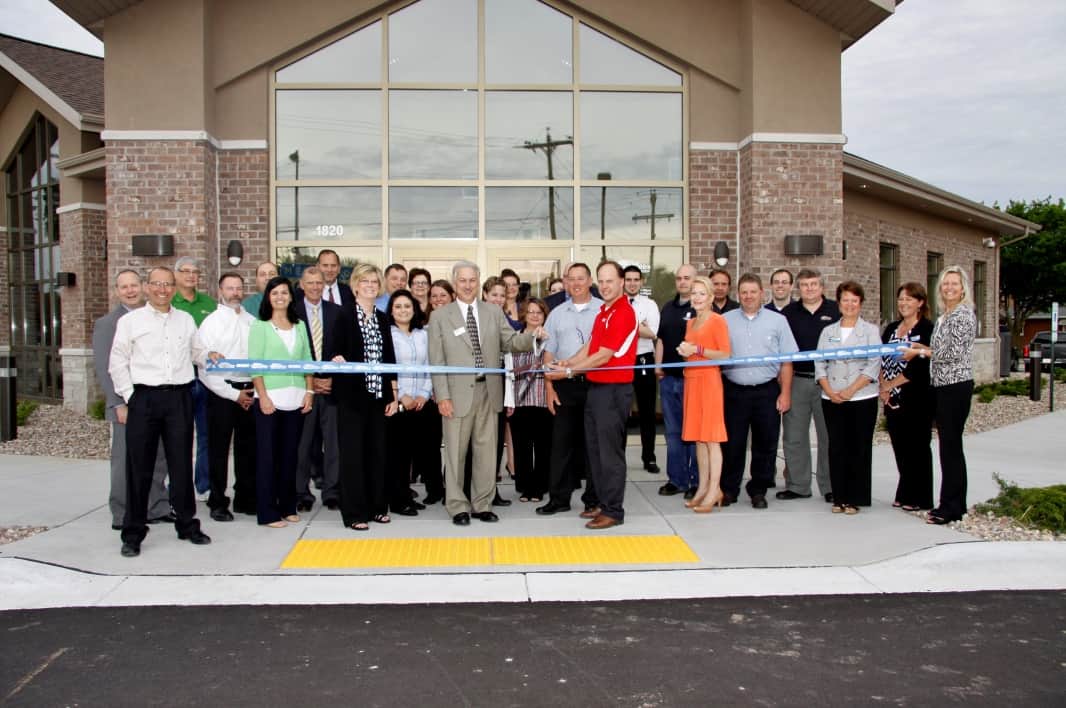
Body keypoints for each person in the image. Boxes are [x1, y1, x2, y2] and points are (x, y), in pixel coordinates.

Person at [109, 267, 215, 557]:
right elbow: (117, 361)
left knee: (181, 463)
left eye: (167, 285)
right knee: (138, 467)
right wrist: (131, 396)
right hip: (144, 397)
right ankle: (133, 532)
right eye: (156, 284)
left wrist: (210, 356)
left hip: (179, 397)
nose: (162, 289)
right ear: (147, 287)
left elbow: (197, 352)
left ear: (174, 287)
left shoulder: (185, 320)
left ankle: (186, 524)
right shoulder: (131, 321)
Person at [427, 260, 541, 526]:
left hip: (488, 392)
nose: (468, 285)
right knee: (455, 454)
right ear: (455, 283)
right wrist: (442, 396)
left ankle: (482, 503)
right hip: (455, 396)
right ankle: (457, 506)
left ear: (478, 283)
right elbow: (436, 360)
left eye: (472, 280)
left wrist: (533, 335)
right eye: (462, 280)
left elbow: (511, 342)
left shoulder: (492, 311)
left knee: (487, 453)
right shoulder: (441, 316)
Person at [547, 261, 637, 530]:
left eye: (611, 280)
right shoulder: (603, 312)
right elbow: (590, 346)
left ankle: (613, 510)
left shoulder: (623, 312)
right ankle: (600, 501)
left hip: (614, 391)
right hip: (597, 390)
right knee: (595, 452)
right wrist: (567, 362)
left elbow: (603, 355)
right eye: (603, 281)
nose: (606, 286)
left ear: (622, 282)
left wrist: (570, 372)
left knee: (610, 454)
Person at [93, 269, 171, 530]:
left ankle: (156, 506)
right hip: (127, 405)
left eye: (134, 285)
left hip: (155, 401)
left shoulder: (154, 318)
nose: (130, 290)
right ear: (117, 291)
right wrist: (118, 403)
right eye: (124, 287)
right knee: (126, 460)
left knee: (158, 456)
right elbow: (106, 367)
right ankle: (122, 511)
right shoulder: (108, 323)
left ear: (144, 287)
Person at [905, 266, 977, 525]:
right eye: (945, 284)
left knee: (951, 447)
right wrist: (921, 347)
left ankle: (950, 507)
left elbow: (950, 354)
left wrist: (920, 353)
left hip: (955, 386)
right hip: (942, 386)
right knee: (949, 446)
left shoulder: (963, 315)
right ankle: (954, 503)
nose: (949, 288)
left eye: (954, 284)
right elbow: (939, 348)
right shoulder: (946, 315)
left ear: (963, 288)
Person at [720, 273, 797, 508]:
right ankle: (729, 489)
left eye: (753, 291)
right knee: (732, 443)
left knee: (765, 443)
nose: (748, 296)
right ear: (738, 294)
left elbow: (787, 360)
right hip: (734, 391)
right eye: (744, 292)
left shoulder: (778, 321)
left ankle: (758, 489)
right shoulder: (724, 320)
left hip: (766, 391)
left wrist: (785, 393)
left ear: (762, 293)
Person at [333, 264, 399, 530]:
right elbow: (333, 351)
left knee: (377, 454)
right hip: (352, 399)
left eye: (374, 281)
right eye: (365, 281)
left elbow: (390, 360)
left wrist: (393, 396)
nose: (371, 285)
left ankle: (376, 507)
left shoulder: (383, 318)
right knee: (352, 457)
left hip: (378, 397)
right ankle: (354, 513)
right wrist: (336, 359)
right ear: (356, 285)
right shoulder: (343, 315)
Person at [535, 263, 603, 517]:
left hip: (596, 385)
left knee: (593, 446)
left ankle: (593, 499)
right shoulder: (556, 313)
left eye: (581, 279)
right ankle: (559, 498)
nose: (576, 283)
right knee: (561, 445)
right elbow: (549, 353)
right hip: (564, 386)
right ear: (565, 282)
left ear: (589, 281)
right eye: (571, 279)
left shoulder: (602, 310)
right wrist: (549, 387)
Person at [248, 276, 314, 528]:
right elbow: (255, 365)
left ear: (291, 296)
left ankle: (287, 506)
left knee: (290, 456)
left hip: (295, 398)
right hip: (270, 400)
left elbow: (308, 360)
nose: (280, 297)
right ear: (268, 297)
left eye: (284, 292)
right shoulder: (260, 326)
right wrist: (263, 396)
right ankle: (267, 512)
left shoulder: (298, 326)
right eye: (274, 292)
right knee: (268, 457)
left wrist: (309, 392)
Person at [814, 281, 881, 515]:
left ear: (860, 303)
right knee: (837, 447)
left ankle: (855, 498)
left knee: (858, 447)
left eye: (854, 300)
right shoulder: (828, 332)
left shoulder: (871, 331)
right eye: (845, 300)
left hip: (862, 397)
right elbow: (819, 363)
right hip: (831, 398)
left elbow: (874, 364)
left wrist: (851, 390)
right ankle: (839, 497)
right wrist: (829, 390)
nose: (849, 304)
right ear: (839, 303)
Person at [196, 272, 257, 521]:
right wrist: (233, 394)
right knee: (218, 450)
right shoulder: (210, 323)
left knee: (248, 449)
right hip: (221, 393)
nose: (235, 292)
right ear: (220, 291)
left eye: (239, 288)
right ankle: (217, 501)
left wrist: (250, 391)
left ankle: (245, 497)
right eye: (230, 288)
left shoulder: (252, 321)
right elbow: (205, 366)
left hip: (250, 390)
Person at [780, 268, 840, 503]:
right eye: (804, 285)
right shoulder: (789, 313)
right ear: (798, 289)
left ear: (822, 287)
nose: (809, 289)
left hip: (828, 381)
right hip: (798, 379)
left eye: (814, 284)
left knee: (828, 436)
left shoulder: (835, 311)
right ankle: (798, 486)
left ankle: (829, 486)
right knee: (794, 436)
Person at [675, 275, 730, 512]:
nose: (696, 297)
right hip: (692, 381)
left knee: (711, 438)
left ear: (710, 297)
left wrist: (696, 349)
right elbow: (694, 352)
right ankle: (703, 487)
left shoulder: (717, 321)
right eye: (694, 293)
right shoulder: (690, 322)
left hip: (709, 381)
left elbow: (725, 354)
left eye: (701, 293)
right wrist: (685, 351)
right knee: (698, 438)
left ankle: (715, 488)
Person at [880, 282, 935, 511]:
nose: (903, 303)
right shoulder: (891, 328)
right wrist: (883, 386)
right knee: (900, 446)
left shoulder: (928, 329)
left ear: (920, 302)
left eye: (909, 299)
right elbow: (881, 357)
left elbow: (921, 366)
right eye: (901, 299)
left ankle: (921, 497)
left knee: (918, 447)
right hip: (892, 397)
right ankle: (905, 492)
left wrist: (893, 384)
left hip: (916, 396)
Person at [385, 289, 440, 514]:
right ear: (391, 310)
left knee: (421, 451)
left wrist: (423, 395)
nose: (403, 310)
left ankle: (408, 495)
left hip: (421, 403)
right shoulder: (387, 334)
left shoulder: (423, 334)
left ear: (414, 309)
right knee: (398, 455)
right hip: (399, 403)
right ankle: (398, 500)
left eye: (407, 306)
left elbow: (430, 365)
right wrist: (403, 395)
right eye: (398, 306)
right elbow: (388, 369)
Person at [294, 266, 344, 511]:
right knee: (302, 445)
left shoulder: (337, 312)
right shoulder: (291, 312)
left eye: (319, 283)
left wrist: (332, 379)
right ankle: (301, 493)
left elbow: (344, 349)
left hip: (332, 388)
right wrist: (311, 380)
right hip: (304, 387)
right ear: (301, 285)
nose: (315, 287)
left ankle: (332, 491)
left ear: (324, 285)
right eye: (310, 283)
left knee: (333, 443)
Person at [171, 256, 217, 499]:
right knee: (177, 435)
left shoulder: (210, 304)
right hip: (180, 379)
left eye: (195, 272)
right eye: (185, 271)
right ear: (176, 275)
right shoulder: (168, 303)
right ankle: (177, 487)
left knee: (206, 434)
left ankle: (203, 485)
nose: (191, 276)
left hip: (206, 378)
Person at [654, 264, 699, 499]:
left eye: (687, 278)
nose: (683, 282)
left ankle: (695, 481)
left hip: (692, 380)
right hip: (669, 380)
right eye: (679, 278)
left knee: (692, 433)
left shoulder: (700, 309)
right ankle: (677, 479)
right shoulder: (668, 308)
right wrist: (659, 367)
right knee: (672, 432)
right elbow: (661, 339)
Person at [505, 298, 552, 502]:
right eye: (530, 311)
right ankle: (525, 487)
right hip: (519, 399)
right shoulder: (514, 338)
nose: (534, 315)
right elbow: (508, 371)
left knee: (543, 447)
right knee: (521, 446)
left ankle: (541, 487)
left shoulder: (551, 338)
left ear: (544, 315)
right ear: (524, 314)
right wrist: (508, 401)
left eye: (538, 312)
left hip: (542, 398)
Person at [623, 265, 661, 474]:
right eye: (628, 279)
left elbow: (653, 333)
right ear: (623, 281)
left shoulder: (650, 304)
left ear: (641, 281)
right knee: (621, 413)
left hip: (643, 359)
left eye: (636, 279)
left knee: (647, 412)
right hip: (621, 361)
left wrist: (629, 325)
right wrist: (640, 326)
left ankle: (649, 458)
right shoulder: (615, 304)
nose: (632, 283)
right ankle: (618, 459)